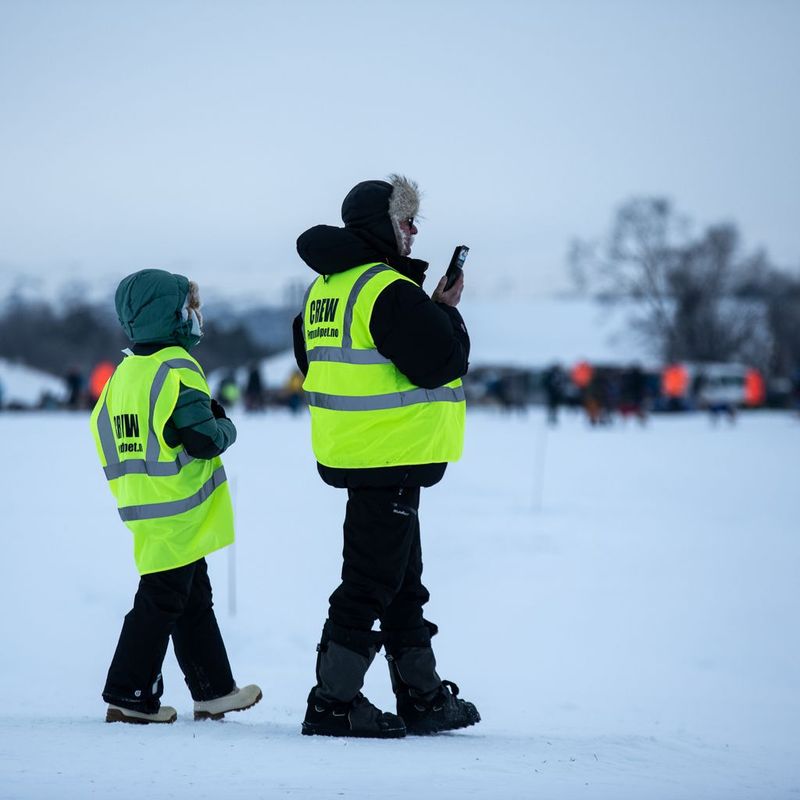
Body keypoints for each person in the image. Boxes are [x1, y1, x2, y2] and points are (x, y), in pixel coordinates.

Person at [292, 174, 480, 739]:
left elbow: (311, 357)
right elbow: (443, 359)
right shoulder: (385, 289)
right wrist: (445, 310)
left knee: (399, 582)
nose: (415, 231)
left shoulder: (325, 289)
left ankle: (422, 697)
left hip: (357, 452)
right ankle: (332, 703)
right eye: (405, 221)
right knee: (371, 582)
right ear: (381, 226)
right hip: (390, 453)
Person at [89, 269, 261, 724]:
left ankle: (214, 691)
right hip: (179, 507)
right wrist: (225, 425)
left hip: (145, 506)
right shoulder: (176, 369)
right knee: (163, 599)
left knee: (190, 597)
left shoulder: (125, 373)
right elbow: (202, 439)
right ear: (172, 317)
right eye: (192, 308)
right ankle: (128, 694)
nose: (197, 317)